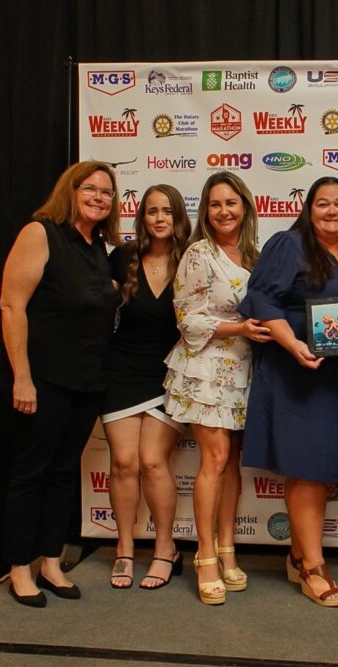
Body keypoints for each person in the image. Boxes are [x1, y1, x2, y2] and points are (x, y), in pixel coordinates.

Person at [238, 177, 338, 608]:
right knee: (307, 471)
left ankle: (298, 556)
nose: (332, 211)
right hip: (299, 374)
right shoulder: (289, 244)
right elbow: (262, 299)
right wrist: (292, 344)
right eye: (322, 204)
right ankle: (314, 568)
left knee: (321, 471)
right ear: (308, 209)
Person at [0, 161, 120, 607]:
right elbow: (12, 307)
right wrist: (23, 378)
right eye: (91, 189)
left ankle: (51, 561)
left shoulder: (99, 247)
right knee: (31, 474)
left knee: (65, 473)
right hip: (43, 379)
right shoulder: (40, 233)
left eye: (108, 193)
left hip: (87, 382)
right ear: (70, 189)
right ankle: (18, 568)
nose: (100, 198)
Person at [163, 172, 270, 605]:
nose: (224, 211)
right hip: (205, 369)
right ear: (205, 211)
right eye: (214, 204)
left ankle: (227, 548)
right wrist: (239, 326)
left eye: (231, 202)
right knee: (216, 458)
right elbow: (186, 318)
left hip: (245, 370)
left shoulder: (257, 256)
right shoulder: (197, 254)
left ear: (245, 205)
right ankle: (204, 554)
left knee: (232, 466)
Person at [101, 185, 191, 590]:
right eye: (152, 211)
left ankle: (164, 548)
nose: (159, 218)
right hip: (120, 371)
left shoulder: (192, 257)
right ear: (142, 217)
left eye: (167, 211)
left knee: (153, 461)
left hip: (169, 374)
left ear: (178, 217)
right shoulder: (122, 257)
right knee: (123, 462)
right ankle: (123, 548)